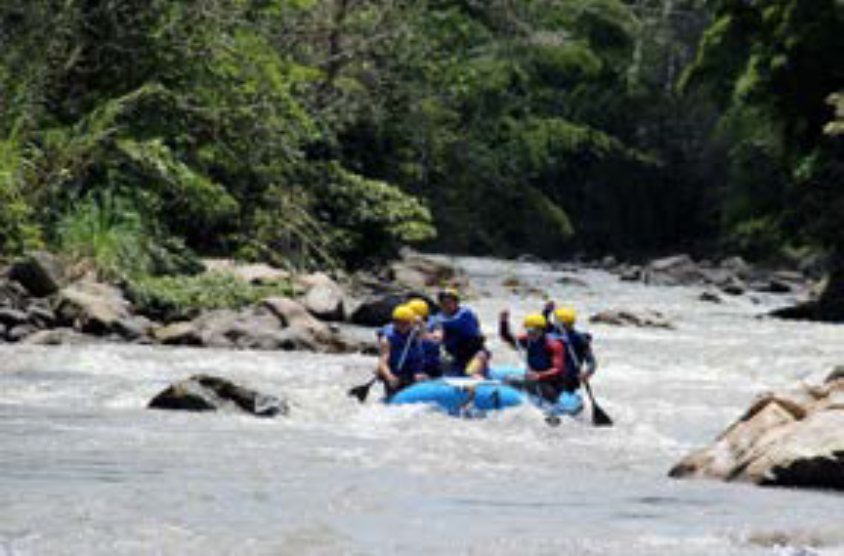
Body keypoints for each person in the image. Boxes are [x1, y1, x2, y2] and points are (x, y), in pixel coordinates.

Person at [498, 312, 566, 403]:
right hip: (533, 380)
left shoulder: (554, 345)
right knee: (507, 380)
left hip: (552, 385)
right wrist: (503, 322)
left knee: (529, 384)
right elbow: (507, 338)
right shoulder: (528, 340)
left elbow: (557, 369)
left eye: (532, 330)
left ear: (542, 329)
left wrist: (539, 375)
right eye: (528, 330)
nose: (530, 333)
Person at [431, 288, 489, 378]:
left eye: (449, 302)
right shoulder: (438, 317)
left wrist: (437, 327)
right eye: (443, 303)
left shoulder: (465, 313)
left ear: (456, 303)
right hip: (457, 358)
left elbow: (453, 322)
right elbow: (432, 327)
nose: (446, 305)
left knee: (472, 373)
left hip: (475, 355)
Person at [375, 305, 427, 397]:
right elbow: (383, 363)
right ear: (394, 322)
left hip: (411, 372)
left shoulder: (414, 333)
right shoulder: (386, 339)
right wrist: (390, 377)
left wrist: (421, 322)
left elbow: (424, 334)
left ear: (411, 323)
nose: (402, 326)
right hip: (394, 373)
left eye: (406, 323)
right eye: (398, 322)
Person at [548, 305, 597, 392]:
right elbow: (543, 325)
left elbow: (592, 362)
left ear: (568, 324)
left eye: (558, 322)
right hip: (550, 374)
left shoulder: (579, 339)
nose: (556, 324)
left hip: (569, 379)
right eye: (555, 321)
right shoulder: (553, 332)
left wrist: (586, 374)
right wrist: (546, 311)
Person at [407, 298, 443, 379]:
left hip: (431, 364)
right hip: (412, 365)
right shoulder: (405, 324)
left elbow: (437, 340)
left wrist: (422, 327)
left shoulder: (434, 323)